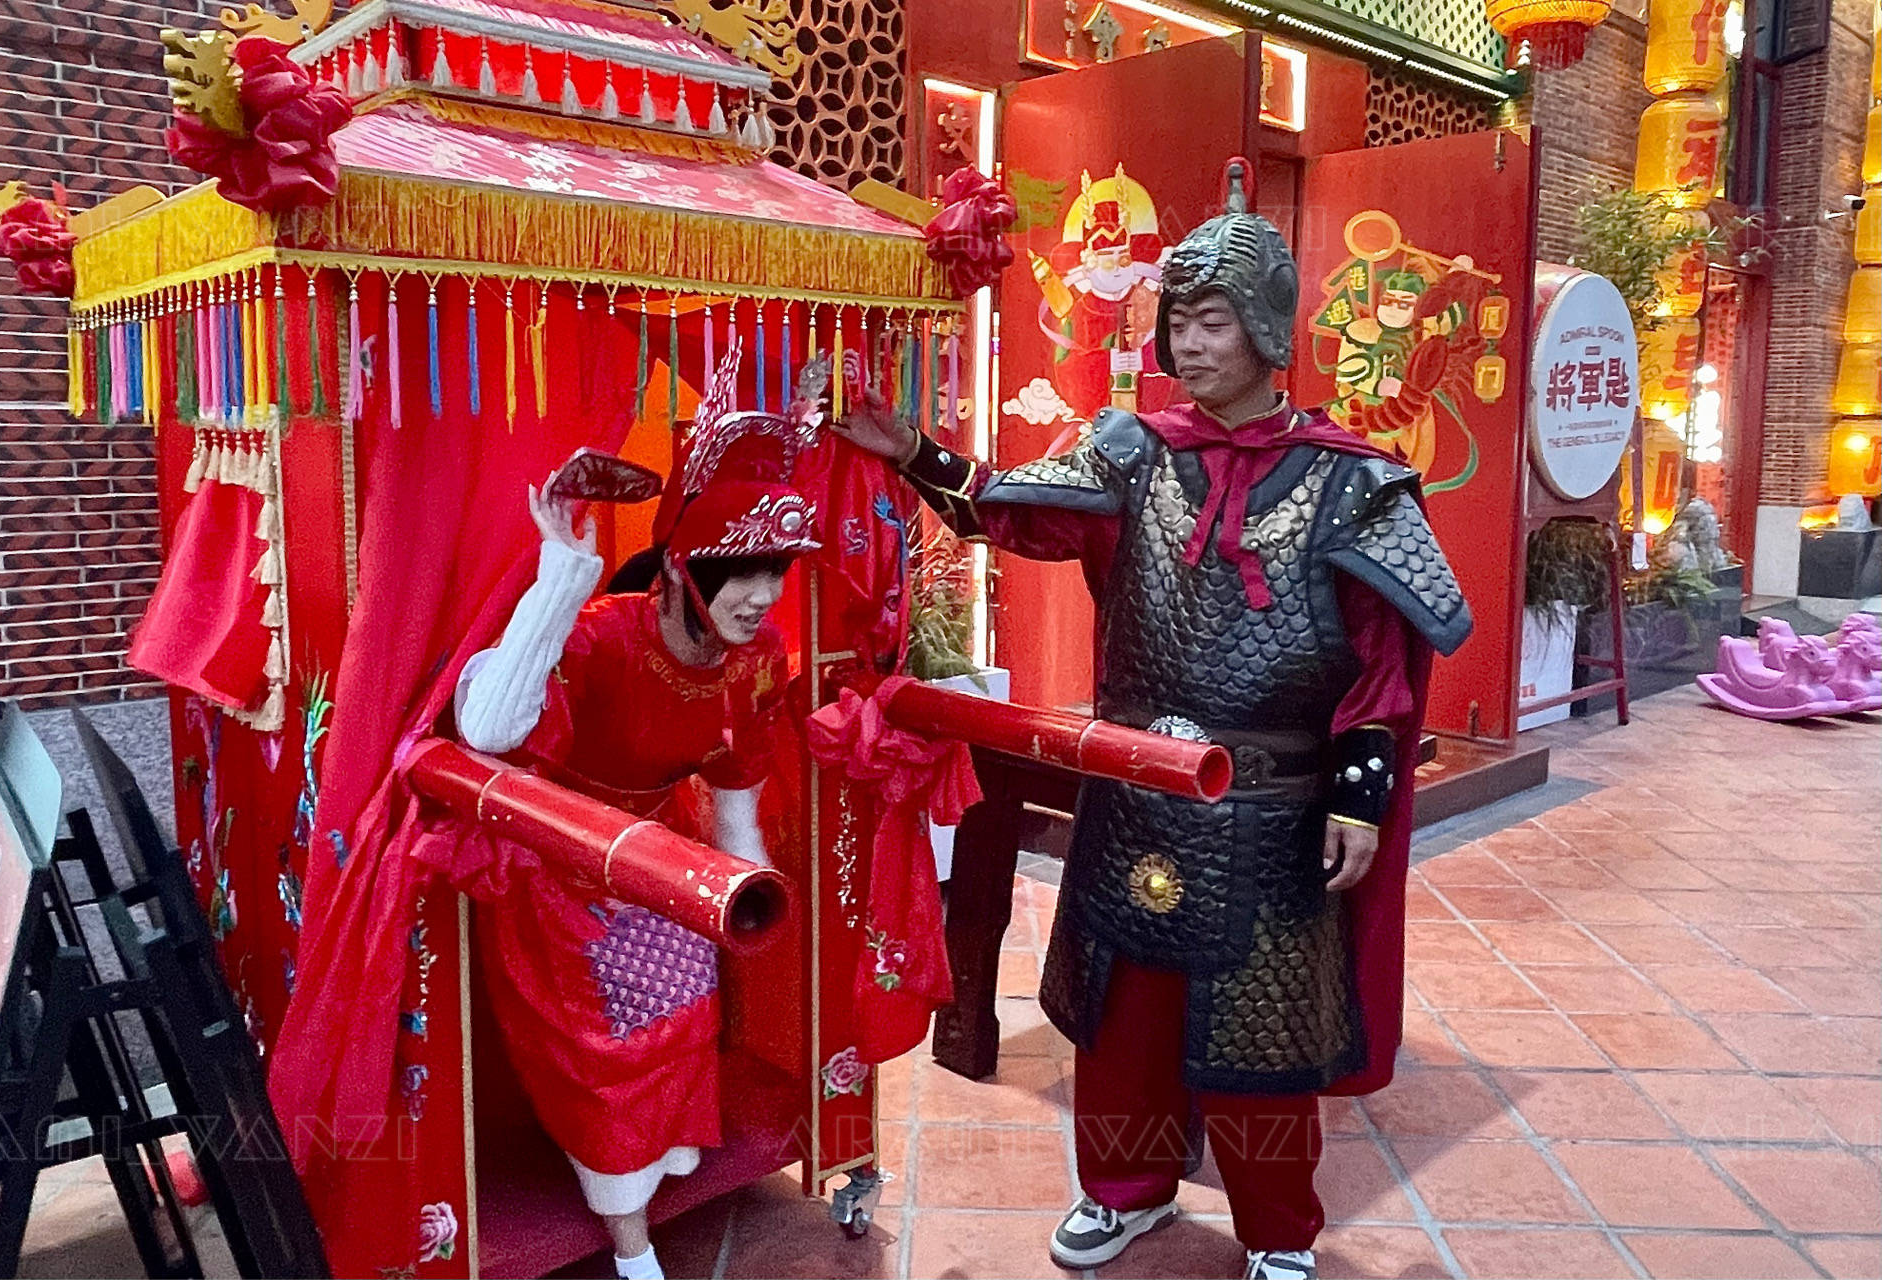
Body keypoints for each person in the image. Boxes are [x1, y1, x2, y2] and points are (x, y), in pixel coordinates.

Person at [832, 162, 1471, 1280]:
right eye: (1177, 317)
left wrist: (1360, 796)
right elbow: (1012, 510)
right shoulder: (1133, 451)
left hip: (1269, 806)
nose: (1190, 339)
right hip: (1135, 790)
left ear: (1268, 329)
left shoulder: (1353, 485)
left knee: (1257, 1038)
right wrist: (914, 455)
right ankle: (1122, 1193)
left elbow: (1382, 662)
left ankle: (1277, 1232)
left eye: (1213, 317)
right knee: (1123, 1020)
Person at [451, 413, 820, 1280]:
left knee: (687, 1016)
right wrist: (562, 578)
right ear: (688, 568)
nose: (764, 592)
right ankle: (632, 1248)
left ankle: (659, 1165)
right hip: (560, 866)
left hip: (667, 857)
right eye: (742, 569)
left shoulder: (758, 657)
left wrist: (752, 910)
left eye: (777, 568)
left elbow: (736, 811)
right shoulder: (606, 633)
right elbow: (486, 727)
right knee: (609, 1051)